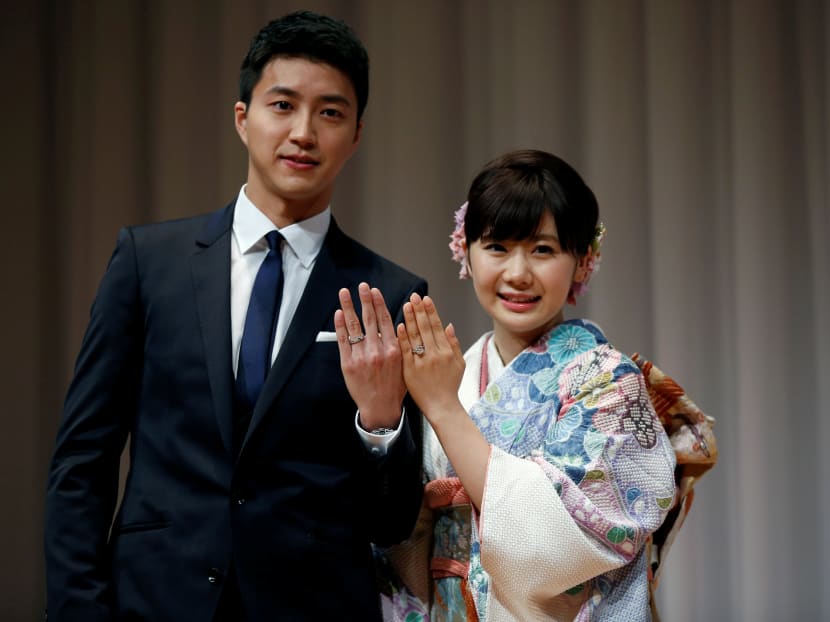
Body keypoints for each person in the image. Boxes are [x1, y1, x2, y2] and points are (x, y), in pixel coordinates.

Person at [44, 10, 426, 622]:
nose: (303, 132)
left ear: (356, 136)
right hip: (153, 600)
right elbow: (82, 461)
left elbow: (391, 520)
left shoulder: (389, 293)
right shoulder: (149, 262)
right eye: (283, 105)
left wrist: (380, 426)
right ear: (243, 119)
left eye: (330, 112)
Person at [378, 149, 678, 620]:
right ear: (466, 251)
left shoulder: (608, 381)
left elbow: (560, 544)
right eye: (497, 247)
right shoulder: (452, 373)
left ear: (583, 261)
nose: (517, 273)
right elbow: (405, 535)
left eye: (543, 250)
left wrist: (446, 410)